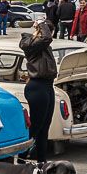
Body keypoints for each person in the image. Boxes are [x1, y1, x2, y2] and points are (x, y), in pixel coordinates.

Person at [19, 19, 57, 162]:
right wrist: (41, 24)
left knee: (45, 127)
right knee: (36, 126)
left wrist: (43, 27)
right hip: (37, 86)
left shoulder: (43, 45)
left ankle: (42, 161)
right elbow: (47, 38)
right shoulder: (28, 42)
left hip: (47, 86)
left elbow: (47, 39)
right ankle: (22, 157)